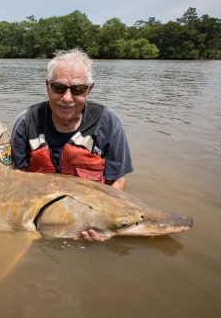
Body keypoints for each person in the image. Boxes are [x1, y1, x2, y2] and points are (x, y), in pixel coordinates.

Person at [11, 48, 133, 241]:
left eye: (77, 90)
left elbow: (117, 180)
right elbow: (17, 180)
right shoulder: (25, 122)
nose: (67, 98)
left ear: (89, 89)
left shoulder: (109, 123)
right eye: (58, 88)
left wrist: (104, 223)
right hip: (41, 218)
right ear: (47, 86)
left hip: (89, 219)